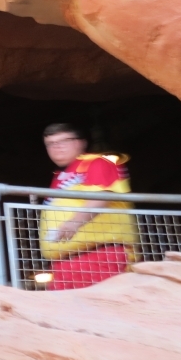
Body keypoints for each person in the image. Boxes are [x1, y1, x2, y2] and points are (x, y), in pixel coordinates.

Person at [39, 123, 139, 290]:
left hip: (99, 255)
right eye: (50, 144)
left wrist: (74, 223)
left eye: (64, 141)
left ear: (81, 142)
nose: (56, 147)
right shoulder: (59, 177)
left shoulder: (97, 163)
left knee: (102, 302)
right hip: (64, 262)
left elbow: (102, 197)